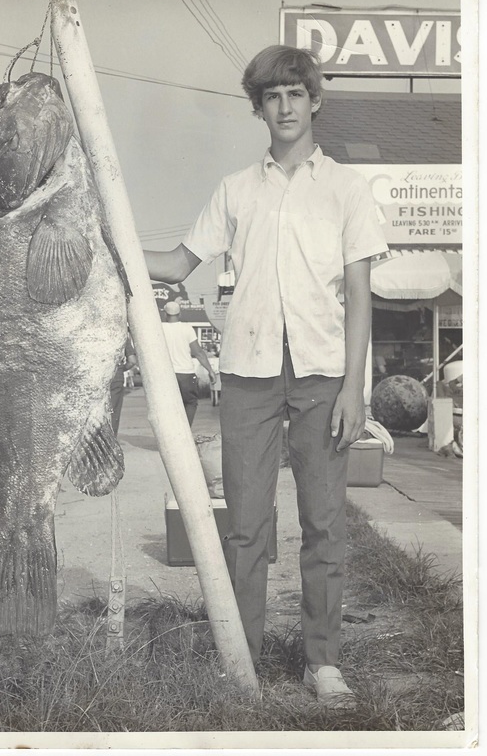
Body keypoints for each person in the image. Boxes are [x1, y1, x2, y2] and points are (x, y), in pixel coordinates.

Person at [144, 45, 388, 708]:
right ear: (259, 108)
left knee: (323, 523)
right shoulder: (235, 190)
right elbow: (173, 264)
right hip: (247, 374)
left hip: (321, 376)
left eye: (293, 94)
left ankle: (322, 663)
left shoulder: (344, 189)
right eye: (270, 97)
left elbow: (361, 297)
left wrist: (353, 388)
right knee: (247, 525)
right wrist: (106, 241)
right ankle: (242, 664)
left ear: (313, 101)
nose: (283, 107)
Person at [161, 300, 216, 426]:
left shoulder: (160, 328)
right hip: (186, 373)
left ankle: (171, 434)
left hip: (166, 375)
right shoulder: (187, 329)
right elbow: (198, 353)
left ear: (165, 314)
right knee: (190, 403)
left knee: (169, 407)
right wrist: (210, 371)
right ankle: (185, 432)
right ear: (179, 314)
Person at [109, 335, 138, 434]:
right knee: (113, 411)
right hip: (116, 376)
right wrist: (121, 369)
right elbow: (132, 361)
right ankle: (111, 441)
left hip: (96, 378)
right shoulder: (121, 335)